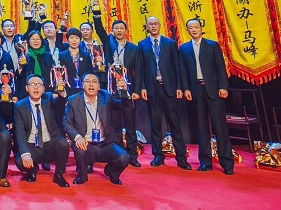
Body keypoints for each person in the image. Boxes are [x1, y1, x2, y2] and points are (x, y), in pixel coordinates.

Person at [179, 18, 234, 175]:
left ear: (201, 28)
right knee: (201, 127)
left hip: (213, 90)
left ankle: (227, 163)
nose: (194, 30)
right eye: (191, 28)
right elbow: (183, 71)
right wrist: (185, 89)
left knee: (220, 127)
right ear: (187, 30)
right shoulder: (184, 48)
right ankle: (205, 162)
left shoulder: (212, 45)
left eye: (196, 27)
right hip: (196, 90)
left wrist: (223, 87)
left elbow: (220, 68)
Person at [136, 16, 190, 170]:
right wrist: (142, 87)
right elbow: (140, 69)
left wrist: (179, 86)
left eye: (155, 24)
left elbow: (177, 66)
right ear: (147, 27)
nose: (153, 26)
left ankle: (181, 158)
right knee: (155, 124)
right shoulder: (142, 44)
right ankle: (158, 156)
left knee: (175, 124)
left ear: (160, 25)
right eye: (150, 24)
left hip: (170, 88)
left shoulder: (170, 43)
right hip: (152, 88)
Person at [93, 13, 143, 168]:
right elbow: (99, 29)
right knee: (114, 124)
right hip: (112, 90)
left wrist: (136, 90)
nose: (119, 31)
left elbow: (138, 71)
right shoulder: (108, 43)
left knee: (130, 124)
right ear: (112, 31)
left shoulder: (134, 48)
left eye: (121, 28)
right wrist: (96, 12)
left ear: (126, 31)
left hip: (127, 91)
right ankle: (118, 153)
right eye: (116, 28)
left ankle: (133, 155)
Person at [63, 72, 131, 185]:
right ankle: (81, 175)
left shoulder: (106, 97)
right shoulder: (73, 100)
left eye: (94, 82)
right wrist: (78, 137)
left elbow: (126, 106)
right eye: (87, 81)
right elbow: (66, 123)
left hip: (105, 144)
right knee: (79, 149)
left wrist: (124, 91)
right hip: (86, 144)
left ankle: (111, 172)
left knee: (124, 157)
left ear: (99, 86)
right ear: (82, 85)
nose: (91, 84)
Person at [13, 74, 70, 187]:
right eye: (32, 84)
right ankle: (32, 170)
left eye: (39, 85)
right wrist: (24, 153)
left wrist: (61, 92)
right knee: (20, 161)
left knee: (63, 143)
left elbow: (60, 103)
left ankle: (59, 175)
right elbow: (19, 131)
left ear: (43, 89)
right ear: (26, 88)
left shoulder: (48, 98)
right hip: (31, 145)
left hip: (49, 143)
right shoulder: (20, 106)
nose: (36, 87)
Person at [58, 28, 93, 92]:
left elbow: (90, 72)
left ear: (80, 40)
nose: (74, 40)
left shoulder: (86, 55)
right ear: (67, 40)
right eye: (71, 38)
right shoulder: (62, 55)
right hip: (68, 88)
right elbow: (61, 73)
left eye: (77, 38)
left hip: (83, 88)